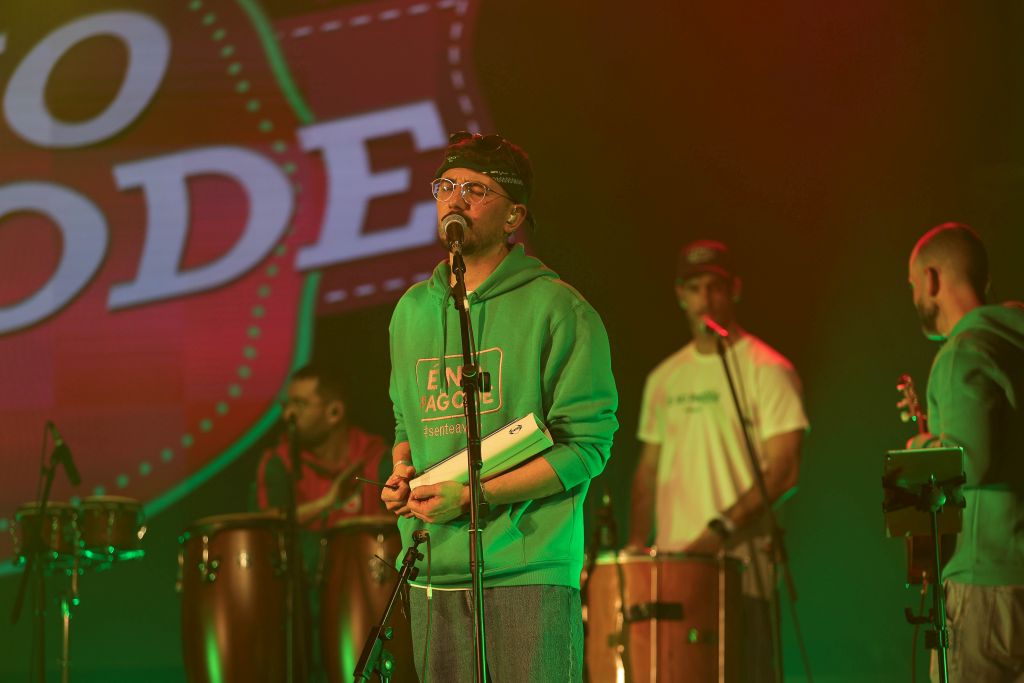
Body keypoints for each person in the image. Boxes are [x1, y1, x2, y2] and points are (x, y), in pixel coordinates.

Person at [381, 131, 618, 681]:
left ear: (514, 215)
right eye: (446, 186)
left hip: (527, 570)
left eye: (476, 190)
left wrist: (472, 496)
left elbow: (587, 447)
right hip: (433, 571)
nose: (455, 200)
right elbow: (404, 421)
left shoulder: (558, 308)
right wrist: (403, 472)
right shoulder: (411, 311)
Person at [626, 239, 808, 682]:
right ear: (680, 295)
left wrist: (718, 532)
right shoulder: (664, 378)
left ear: (735, 290)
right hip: (674, 575)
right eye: (694, 288)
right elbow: (647, 471)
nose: (705, 299)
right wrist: (636, 548)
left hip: (740, 573)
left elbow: (783, 470)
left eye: (715, 287)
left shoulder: (768, 368)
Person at [905, 222, 1024, 682]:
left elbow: (969, 459)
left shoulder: (962, 353)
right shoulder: (1013, 343)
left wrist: (920, 448)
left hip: (983, 585)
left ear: (932, 278)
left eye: (913, 285)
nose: (915, 296)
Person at [257, 363, 388, 527]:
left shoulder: (377, 458)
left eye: (300, 404)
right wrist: (326, 503)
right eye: (287, 404)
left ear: (334, 412)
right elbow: (270, 523)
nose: (287, 414)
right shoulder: (279, 461)